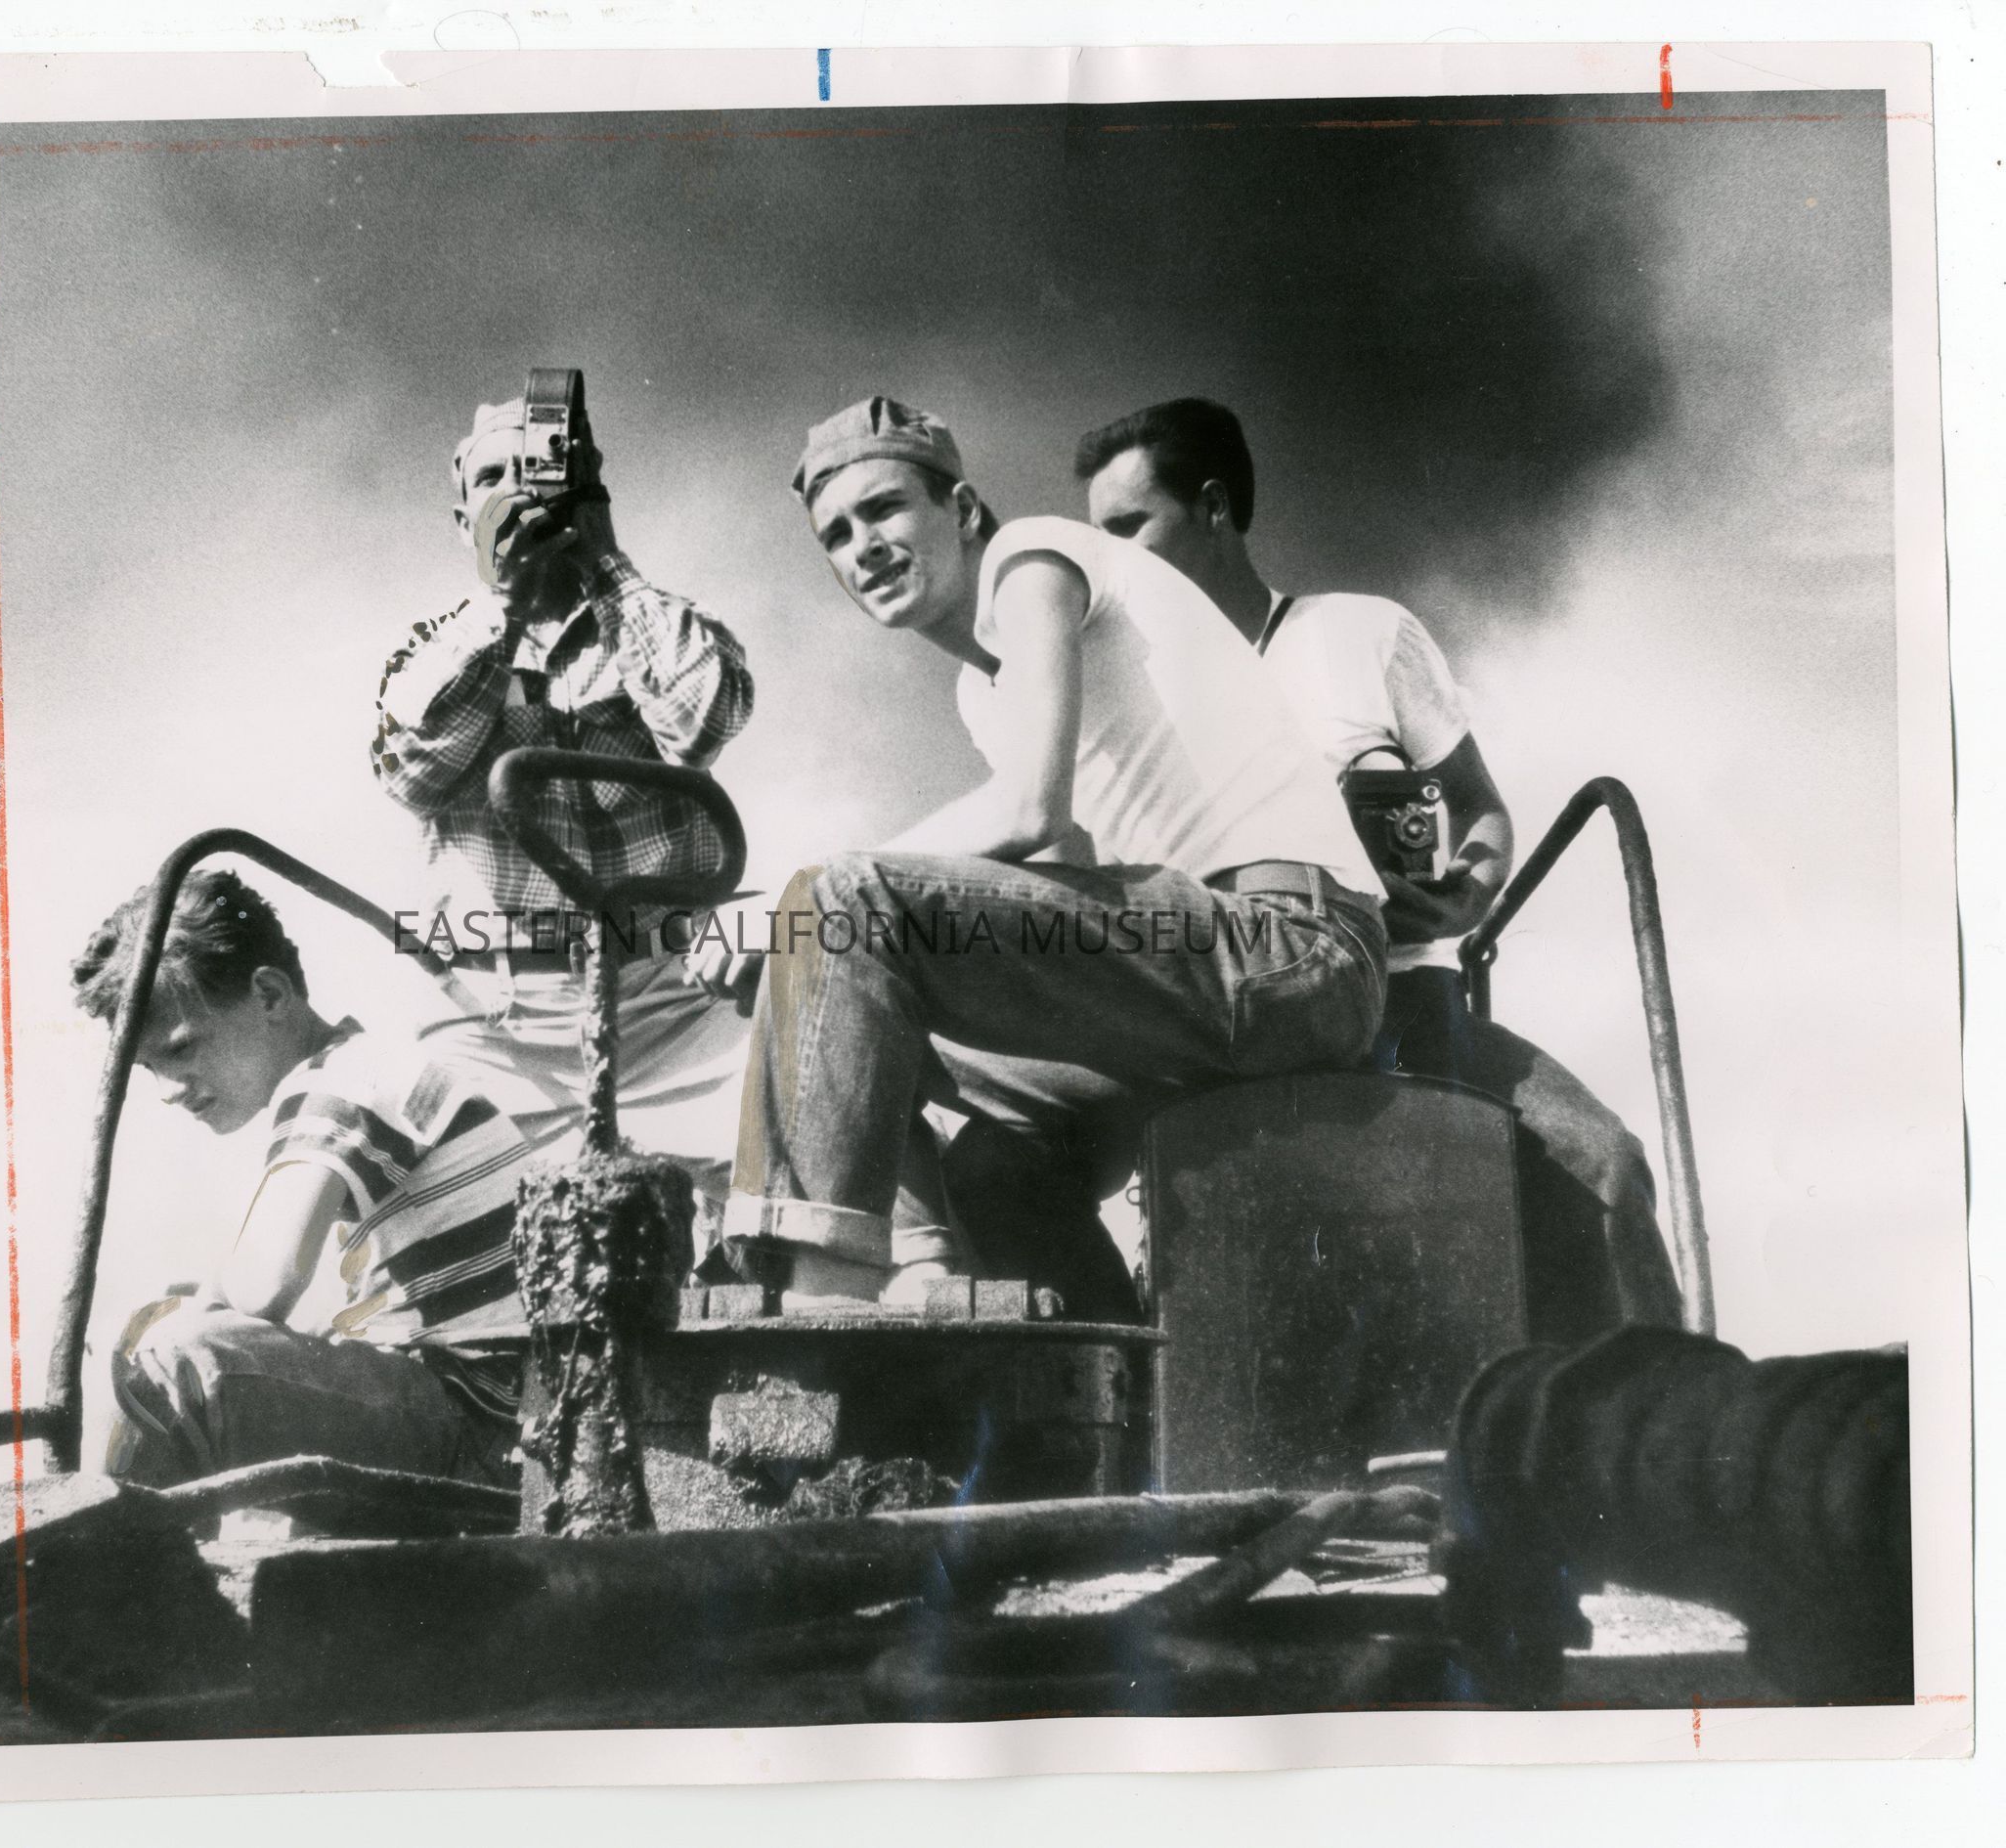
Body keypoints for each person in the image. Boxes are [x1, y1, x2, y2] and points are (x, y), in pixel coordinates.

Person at [693, 395, 1389, 1308]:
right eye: (837, 535)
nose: (864, 546)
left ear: (962, 509)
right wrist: (797, 958)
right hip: (1186, 979)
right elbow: (1047, 877)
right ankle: (1007, 1322)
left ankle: (826, 1300)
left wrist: (800, 911)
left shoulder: (1034, 561)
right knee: (971, 1149)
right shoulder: (983, 694)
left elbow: (1029, 810)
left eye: (885, 508)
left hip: (1290, 946)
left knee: (832, 906)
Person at [1075, 396, 1683, 1339]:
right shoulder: (1123, 695)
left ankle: (1645, 1411)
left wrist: (1462, 895)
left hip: (1411, 1011)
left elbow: (1478, 808)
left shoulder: (1360, 633)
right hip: (1236, 1033)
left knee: (1604, 1163)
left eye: (1128, 527)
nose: (1109, 558)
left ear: (1214, 507)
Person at [369, 389, 758, 1248]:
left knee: (809, 1127)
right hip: (489, 1019)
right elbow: (411, 773)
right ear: (463, 520)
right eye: (493, 479)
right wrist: (504, 605)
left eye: (542, 470)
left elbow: (703, 724)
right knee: (423, 1217)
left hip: (665, 1002)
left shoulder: (659, 622)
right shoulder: (432, 645)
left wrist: (606, 560)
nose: (520, 491)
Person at [76, 867, 529, 1487]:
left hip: (477, 1420)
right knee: (172, 1338)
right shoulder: (364, 1065)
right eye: (149, 1068)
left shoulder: (341, 1081)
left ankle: (88, 1536)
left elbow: (266, 1286)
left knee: (167, 1364)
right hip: (483, 1406)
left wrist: (187, 1312)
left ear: (269, 994)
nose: (168, 1090)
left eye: (180, 1049)